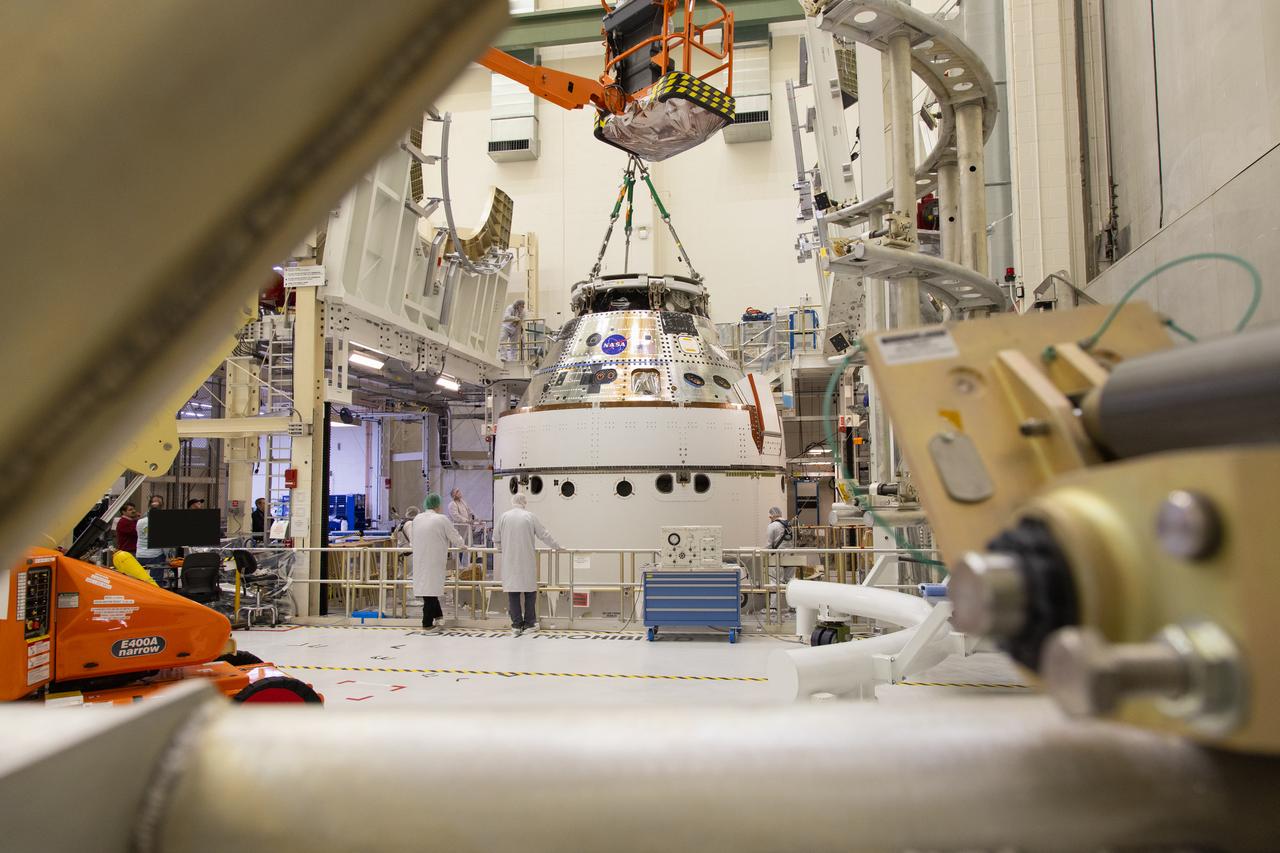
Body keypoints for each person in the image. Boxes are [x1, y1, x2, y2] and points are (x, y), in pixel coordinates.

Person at [493, 493, 560, 637]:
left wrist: (502, 550)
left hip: (510, 561)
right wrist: (557, 546)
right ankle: (529, 623)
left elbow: (495, 538)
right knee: (530, 592)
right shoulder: (530, 516)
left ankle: (516, 625)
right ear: (524, 502)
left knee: (513, 593)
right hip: (527, 560)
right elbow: (544, 534)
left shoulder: (504, 517)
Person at [410, 495, 463, 631]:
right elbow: (454, 535)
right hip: (435, 560)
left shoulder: (417, 519)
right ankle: (427, 624)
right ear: (437, 505)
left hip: (421, 559)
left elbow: (412, 539)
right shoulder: (441, 519)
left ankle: (438, 616)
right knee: (430, 591)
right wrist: (462, 545)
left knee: (428, 589)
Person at [766, 507, 793, 613]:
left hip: (777, 556)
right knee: (790, 581)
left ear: (771, 516)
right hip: (790, 556)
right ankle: (793, 606)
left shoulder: (772, 526)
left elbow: (769, 544)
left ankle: (773, 607)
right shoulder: (789, 525)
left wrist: (765, 554)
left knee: (775, 581)